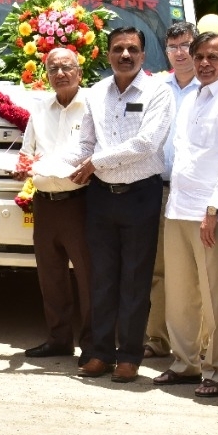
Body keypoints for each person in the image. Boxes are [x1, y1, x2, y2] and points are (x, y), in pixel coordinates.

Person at [68, 26, 173, 383]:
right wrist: (53, 165)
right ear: (108, 54)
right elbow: (86, 143)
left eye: (132, 49)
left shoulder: (159, 91)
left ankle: (129, 356)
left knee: (134, 279)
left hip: (140, 194)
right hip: (100, 197)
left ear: (144, 56)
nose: (125, 55)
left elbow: (147, 143)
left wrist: (96, 162)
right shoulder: (96, 92)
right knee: (102, 278)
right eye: (118, 49)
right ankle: (100, 353)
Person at [154, 32, 218, 396]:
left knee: (216, 298)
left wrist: (213, 208)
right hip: (179, 206)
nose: (205, 63)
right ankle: (185, 363)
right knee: (180, 294)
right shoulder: (193, 97)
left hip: (214, 215)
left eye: (214, 57)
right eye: (200, 56)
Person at [17, 47, 95, 362]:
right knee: (51, 275)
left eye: (66, 67)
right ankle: (58, 338)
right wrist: (20, 166)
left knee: (89, 276)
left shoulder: (93, 106)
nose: (60, 73)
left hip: (81, 202)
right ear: (45, 74)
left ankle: (92, 344)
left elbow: (101, 149)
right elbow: (27, 151)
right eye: (53, 68)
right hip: (45, 201)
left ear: (79, 71)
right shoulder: (39, 109)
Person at [143, 21, 198, 360]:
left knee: (192, 272)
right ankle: (155, 339)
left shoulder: (209, 87)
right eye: (173, 46)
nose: (180, 53)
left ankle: (196, 344)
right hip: (157, 187)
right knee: (157, 270)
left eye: (186, 46)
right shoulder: (156, 88)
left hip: (193, 193)